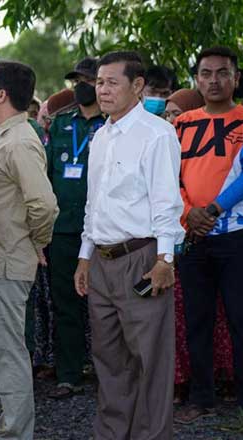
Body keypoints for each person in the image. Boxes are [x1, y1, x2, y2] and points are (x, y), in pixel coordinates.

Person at [73, 51, 184, 439]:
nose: (101, 90)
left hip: (142, 258)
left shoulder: (157, 133)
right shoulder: (101, 136)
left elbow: (167, 202)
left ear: (137, 86)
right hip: (102, 262)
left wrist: (165, 260)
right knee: (108, 361)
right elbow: (94, 203)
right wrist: (85, 257)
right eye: (99, 82)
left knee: (150, 361)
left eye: (111, 82)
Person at [174, 46, 243, 424]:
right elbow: (170, 177)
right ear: (196, 79)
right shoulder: (181, 124)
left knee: (242, 320)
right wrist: (188, 214)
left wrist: (212, 210)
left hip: (235, 235)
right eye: (206, 73)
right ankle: (201, 399)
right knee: (196, 320)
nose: (214, 80)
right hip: (192, 236)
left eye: (222, 73)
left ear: (235, 78)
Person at [0, 61, 59, 439]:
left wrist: (36, 241)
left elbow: (43, 204)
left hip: (8, 261)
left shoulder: (21, 140)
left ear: (2, 95)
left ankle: (15, 432)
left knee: (8, 352)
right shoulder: (2, 136)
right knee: (1, 349)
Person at [161, 87, 235, 403]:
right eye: (166, 114)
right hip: (171, 246)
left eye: (176, 113)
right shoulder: (162, 148)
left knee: (217, 317)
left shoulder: (210, 151)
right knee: (178, 318)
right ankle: (181, 381)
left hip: (210, 241)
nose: (171, 120)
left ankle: (223, 377)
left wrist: (196, 218)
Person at [46, 57, 106, 400]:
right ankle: (69, 374)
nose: (79, 86)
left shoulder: (112, 122)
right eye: (76, 80)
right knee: (65, 303)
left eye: (86, 80)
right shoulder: (60, 124)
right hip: (64, 229)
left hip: (105, 230)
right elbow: (49, 174)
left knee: (106, 306)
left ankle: (108, 374)